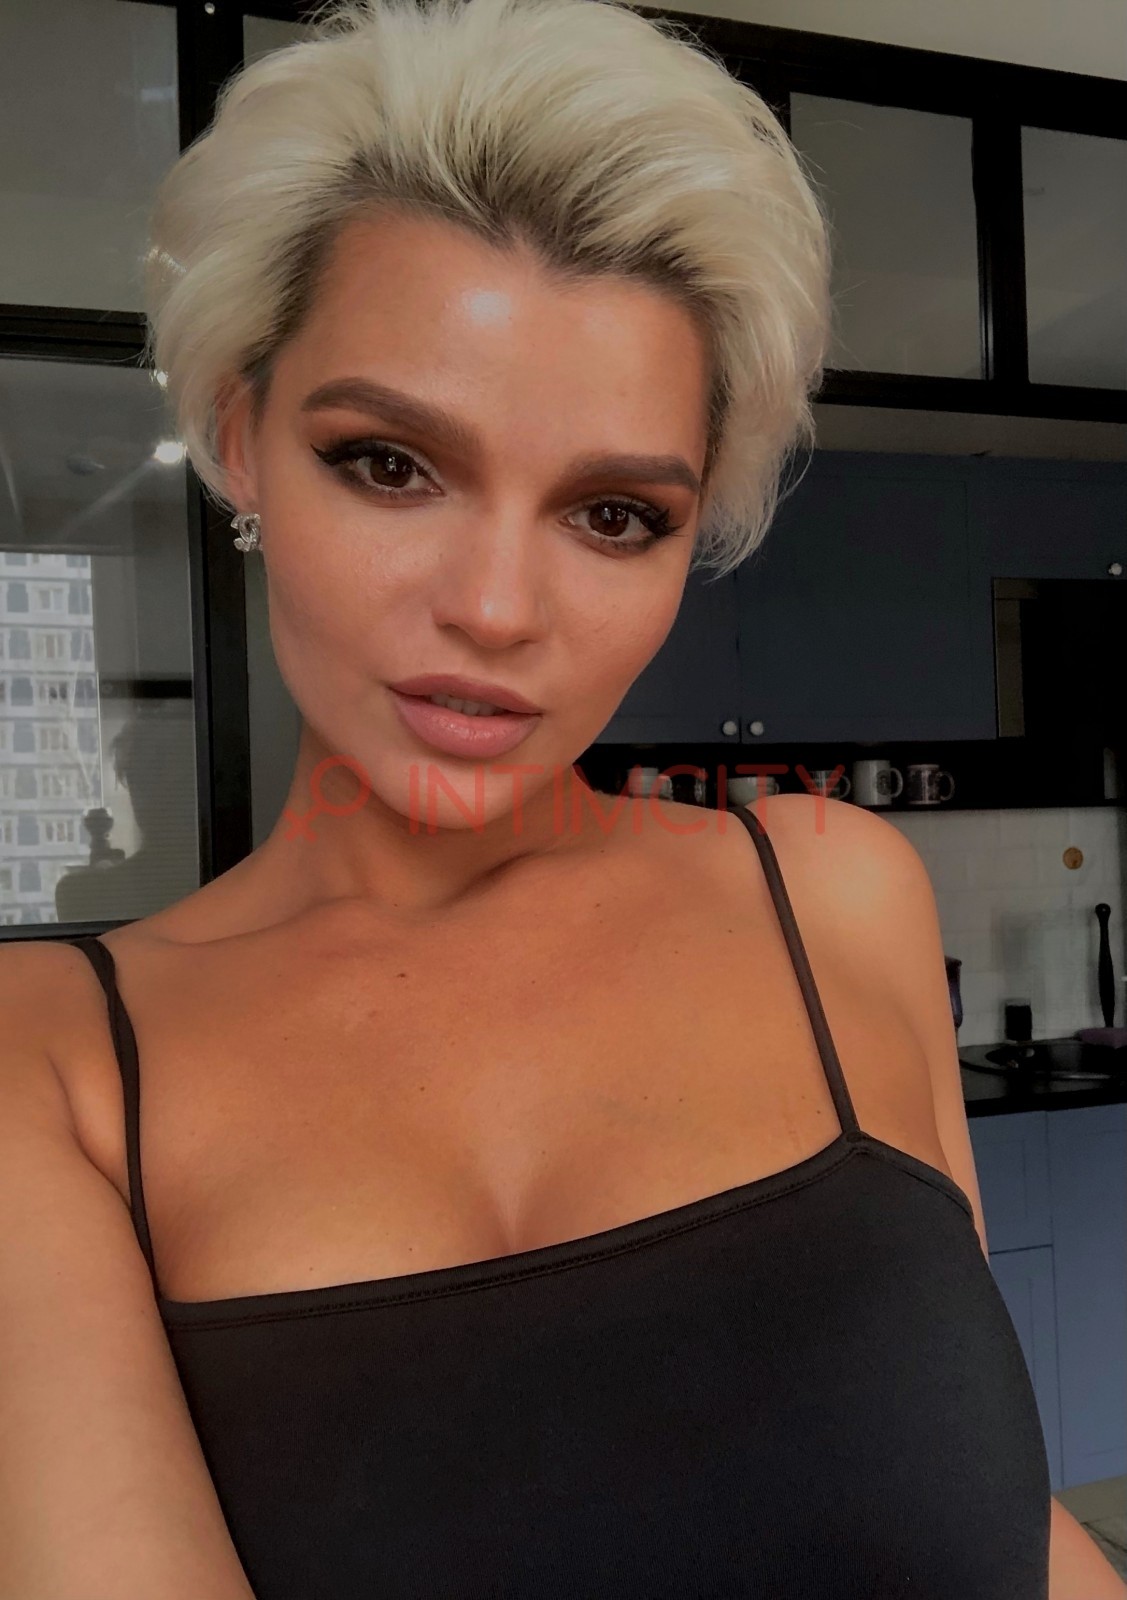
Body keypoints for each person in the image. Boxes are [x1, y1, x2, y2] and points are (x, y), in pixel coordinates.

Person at [0, 0, 1121, 1594]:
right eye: (390, 463)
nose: (495, 607)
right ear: (241, 438)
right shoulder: (50, 1066)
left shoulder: (830, 892)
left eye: (611, 514)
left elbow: (1000, 1527)